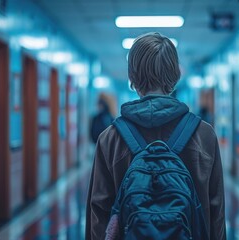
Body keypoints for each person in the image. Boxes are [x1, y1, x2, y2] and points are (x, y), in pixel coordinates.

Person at [86, 32, 226, 239]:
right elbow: (216, 213)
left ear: (132, 76)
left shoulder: (110, 138)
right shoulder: (204, 135)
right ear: (176, 74)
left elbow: (98, 215)